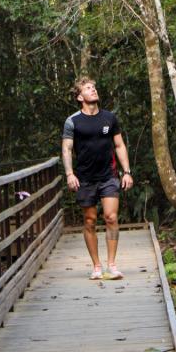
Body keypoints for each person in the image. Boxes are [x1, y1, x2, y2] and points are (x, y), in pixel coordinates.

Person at [62, 76, 133, 280]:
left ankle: (112, 264)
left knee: (111, 217)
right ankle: (96, 266)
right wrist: (69, 174)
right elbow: (66, 149)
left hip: (108, 176)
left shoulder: (109, 118)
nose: (93, 90)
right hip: (85, 178)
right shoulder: (73, 121)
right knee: (90, 220)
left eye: (94, 87)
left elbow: (119, 145)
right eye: (88, 88)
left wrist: (126, 171)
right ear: (79, 97)